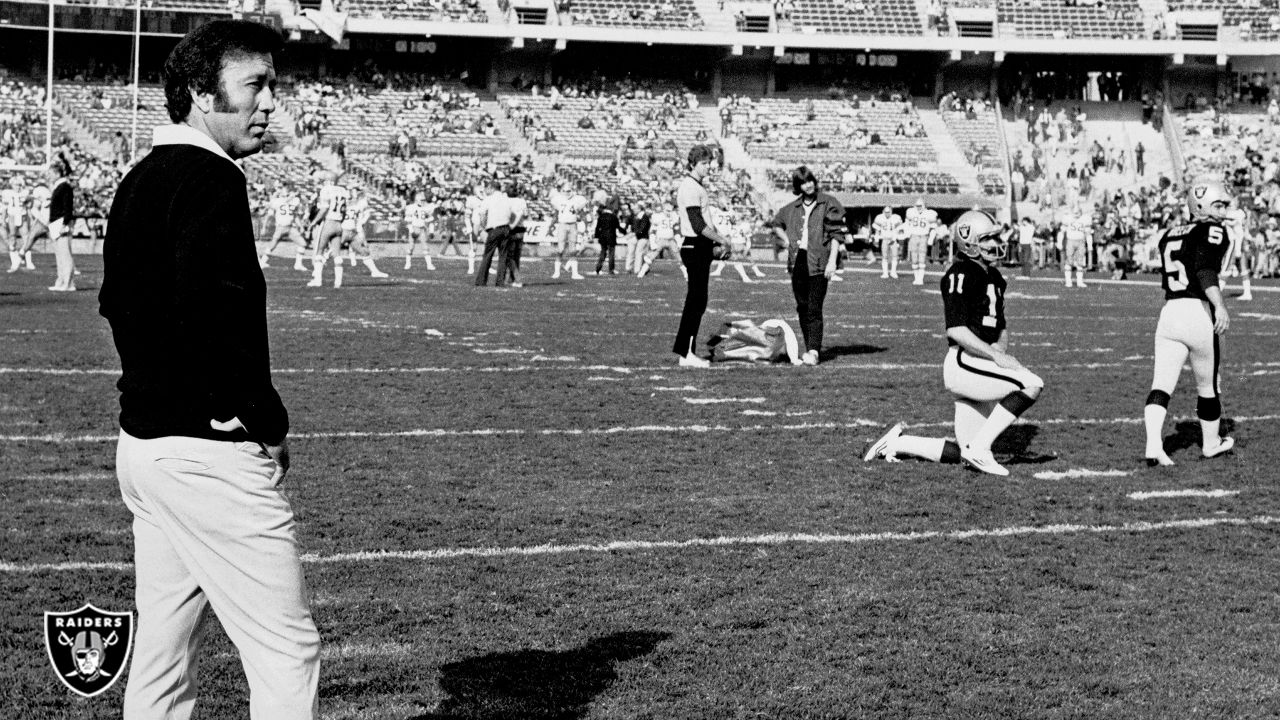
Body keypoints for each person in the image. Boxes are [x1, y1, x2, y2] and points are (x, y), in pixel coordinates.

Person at [98, 20, 320, 719]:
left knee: (161, 663)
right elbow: (216, 317)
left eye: (273, 88)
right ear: (200, 92)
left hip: (145, 446)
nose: (268, 105)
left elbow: (117, 306)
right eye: (255, 85)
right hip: (207, 453)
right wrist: (263, 417)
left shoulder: (141, 177)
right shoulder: (211, 179)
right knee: (286, 652)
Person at [864, 210, 1045, 477]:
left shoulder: (995, 277)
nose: (996, 243)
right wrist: (995, 357)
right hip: (964, 360)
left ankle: (897, 444)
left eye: (995, 237)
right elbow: (958, 330)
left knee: (965, 451)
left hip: (978, 360)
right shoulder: (960, 274)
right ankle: (982, 450)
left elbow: (1001, 325)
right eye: (988, 238)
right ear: (969, 242)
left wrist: (999, 348)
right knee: (1031, 383)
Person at [1142, 178, 1236, 467]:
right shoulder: (1213, 230)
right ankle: (1210, 443)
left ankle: (1153, 444)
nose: (1223, 210)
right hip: (1197, 310)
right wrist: (1219, 305)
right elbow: (1205, 269)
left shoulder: (1169, 232)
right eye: (1218, 204)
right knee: (1208, 386)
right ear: (1201, 205)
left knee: (1161, 383)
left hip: (1170, 311)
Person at [766, 166, 844, 365]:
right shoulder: (792, 208)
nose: (808, 185)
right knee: (802, 306)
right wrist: (788, 241)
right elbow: (775, 224)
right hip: (798, 261)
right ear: (798, 185)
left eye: (810, 180)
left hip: (820, 260)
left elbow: (836, 235)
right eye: (803, 182)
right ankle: (810, 347)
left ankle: (814, 351)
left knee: (814, 308)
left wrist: (833, 261)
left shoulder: (829, 203)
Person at [672, 144, 729, 368]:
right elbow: (697, 225)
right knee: (695, 302)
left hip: (699, 248)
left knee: (698, 302)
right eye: (704, 163)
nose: (708, 167)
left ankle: (686, 351)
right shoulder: (690, 187)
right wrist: (721, 239)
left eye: (709, 163)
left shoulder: (696, 186)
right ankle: (686, 353)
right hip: (694, 246)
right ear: (693, 164)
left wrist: (717, 244)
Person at [473, 180, 514, 287]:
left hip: (494, 229)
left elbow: (482, 215)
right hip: (505, 228)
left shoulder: (489, 199)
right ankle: (500, 281)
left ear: (491, 188)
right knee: (503, 256)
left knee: (488, 255)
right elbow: (512, 214)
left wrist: (484, 227)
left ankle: (481, 281)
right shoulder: (507, 199)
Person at [46, 160, 76, 292]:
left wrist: (65, 223)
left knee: (65, 254)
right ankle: (61, 281)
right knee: (59, 254)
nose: (49, 176)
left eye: (51, 173)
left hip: (61, 223)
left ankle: (68, 283)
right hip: (55, 223)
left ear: (57, 173)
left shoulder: (65, 187)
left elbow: (67, 207)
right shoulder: (59, 186)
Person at [1057, 203, 1092, 288]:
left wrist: (1090, 244)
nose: (1076, 215)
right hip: (1070, 241)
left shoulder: (1085, 219)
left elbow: (1088, 233)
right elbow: (1061, 232)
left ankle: (1079, 281)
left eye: (1078, 213)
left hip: (1081, 241)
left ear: (1081, 212)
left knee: (1080, 262)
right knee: (1069, 261)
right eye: (1074, 213)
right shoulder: (1068, 218)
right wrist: (1059, 242)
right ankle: (1068, 281)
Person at [903, 198, 937, 286]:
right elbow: (906, 224)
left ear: (924, 206)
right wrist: (907, 234)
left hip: (923, 236)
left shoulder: (929, 213)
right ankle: (916, 278)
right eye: (917, 206)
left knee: (922, 258)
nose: (918, 208)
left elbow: (933, 228)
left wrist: (930, 239)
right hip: (913, 236)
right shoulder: (911, 212)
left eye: (920, 206)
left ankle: (920, 279)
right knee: (914, 258)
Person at [593, 196, 621, 275]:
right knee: (611, 254)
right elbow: (618, 227)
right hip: (611, 237)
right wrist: (625, 231)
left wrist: (596, 236)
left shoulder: (601, 216)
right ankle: (611, 270)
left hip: (603, 237)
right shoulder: (614, 217)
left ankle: (598, 268)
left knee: (603, 253)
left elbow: (597, 228)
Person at [872, 205, 902, 279]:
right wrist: (876, 240)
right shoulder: (879, 218)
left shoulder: (896, 218)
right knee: (884, 256)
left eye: (888, 212)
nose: (887, 213)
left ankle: (893, 272)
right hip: (885, 239)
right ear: (883, 212)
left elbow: (899, 230)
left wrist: (897, 239)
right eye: (886, 212)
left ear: (891, 212)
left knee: (895, 256)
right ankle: (885, 273)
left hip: (893, 239)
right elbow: (877, 230)